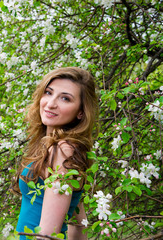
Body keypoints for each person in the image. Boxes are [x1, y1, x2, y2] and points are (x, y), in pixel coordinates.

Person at [13, 67, 98, 240]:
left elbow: (47, 235)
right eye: (48, 92)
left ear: (81, 112)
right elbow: (79, 222)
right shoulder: (60, 149)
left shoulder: (63, 150)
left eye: (65, 98)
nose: (51, 103)